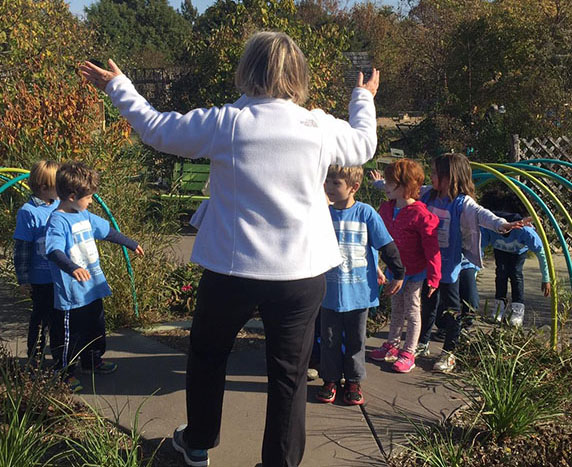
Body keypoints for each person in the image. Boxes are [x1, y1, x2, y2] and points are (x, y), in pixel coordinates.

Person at [80, 31, 380, 467]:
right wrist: (361, 95)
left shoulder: (226, 122)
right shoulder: (318, 126)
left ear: (248, 70)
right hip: (302, 272)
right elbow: (365, 143)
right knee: (289, 375)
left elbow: (155, 128)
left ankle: (198, 442)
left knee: (207, 354)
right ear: (298, 74)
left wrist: (117, 86)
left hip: (232, 270)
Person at [414, 153, 525, 372]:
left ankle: (449, 352)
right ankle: (422, 343)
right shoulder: (428, 195)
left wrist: (502, 224)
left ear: (450, 177)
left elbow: (482, 214)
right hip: (430, 262)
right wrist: (382, 184)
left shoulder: (461, 203)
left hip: (450, 264)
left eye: (436, 173)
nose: (431, 176)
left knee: (453, 308)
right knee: (428, 304)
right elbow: (406, 190)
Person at [44, 162, 144, 392]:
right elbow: (53, 250)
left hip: (92, 287)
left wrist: (130, 243)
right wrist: (71, 268)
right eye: (88, 197)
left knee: (95, 327)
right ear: (71, 196)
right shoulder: (58, 221)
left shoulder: (84, 215)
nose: (91, 201)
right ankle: (63, 371)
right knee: (69, 335)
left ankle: (92, 360)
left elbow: (107, 231)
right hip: (72, 294)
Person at [316, 166, 403, 405]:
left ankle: (353, 381)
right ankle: (330, 379)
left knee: (356, 340)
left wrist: (398, 273)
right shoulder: (322, 214)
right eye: (327, 182)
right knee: (329, 339)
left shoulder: (365, 214)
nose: (329, 188)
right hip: (328, 293)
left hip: (359, 293)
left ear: (353, 187)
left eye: (336, 184)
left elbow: (386, 245)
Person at [368, 159, 440, 374]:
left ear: (405, 186)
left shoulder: (421, 215)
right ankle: (393, 343)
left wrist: (434, 278)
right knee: (397, 307)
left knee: (412, 309)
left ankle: (409, 351)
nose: (386, 186)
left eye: (390, 183)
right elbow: (376, 238)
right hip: (394, 270)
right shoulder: (386, 209)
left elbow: (432, 249)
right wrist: (379, 268)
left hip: (415, 271)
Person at [479, 189, 551, 327]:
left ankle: (518, 309)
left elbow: (541, 253)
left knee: (516, 274)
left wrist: (546, 278)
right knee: (500, 273)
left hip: (518, 252)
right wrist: (475, 268)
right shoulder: (490, 228)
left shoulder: (526, 232)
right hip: (500, 249)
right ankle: (499, 305)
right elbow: (479, 247)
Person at [13, 160, 60, 365]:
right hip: (40, 278)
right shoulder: (28, 212)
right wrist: (23, 279)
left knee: (58, 319)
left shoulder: (60, 205)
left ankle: (60, 357)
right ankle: (35, 358)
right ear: (43, 187)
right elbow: (22, 248)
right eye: (58, 184)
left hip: (59, 276)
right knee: (40, 319)